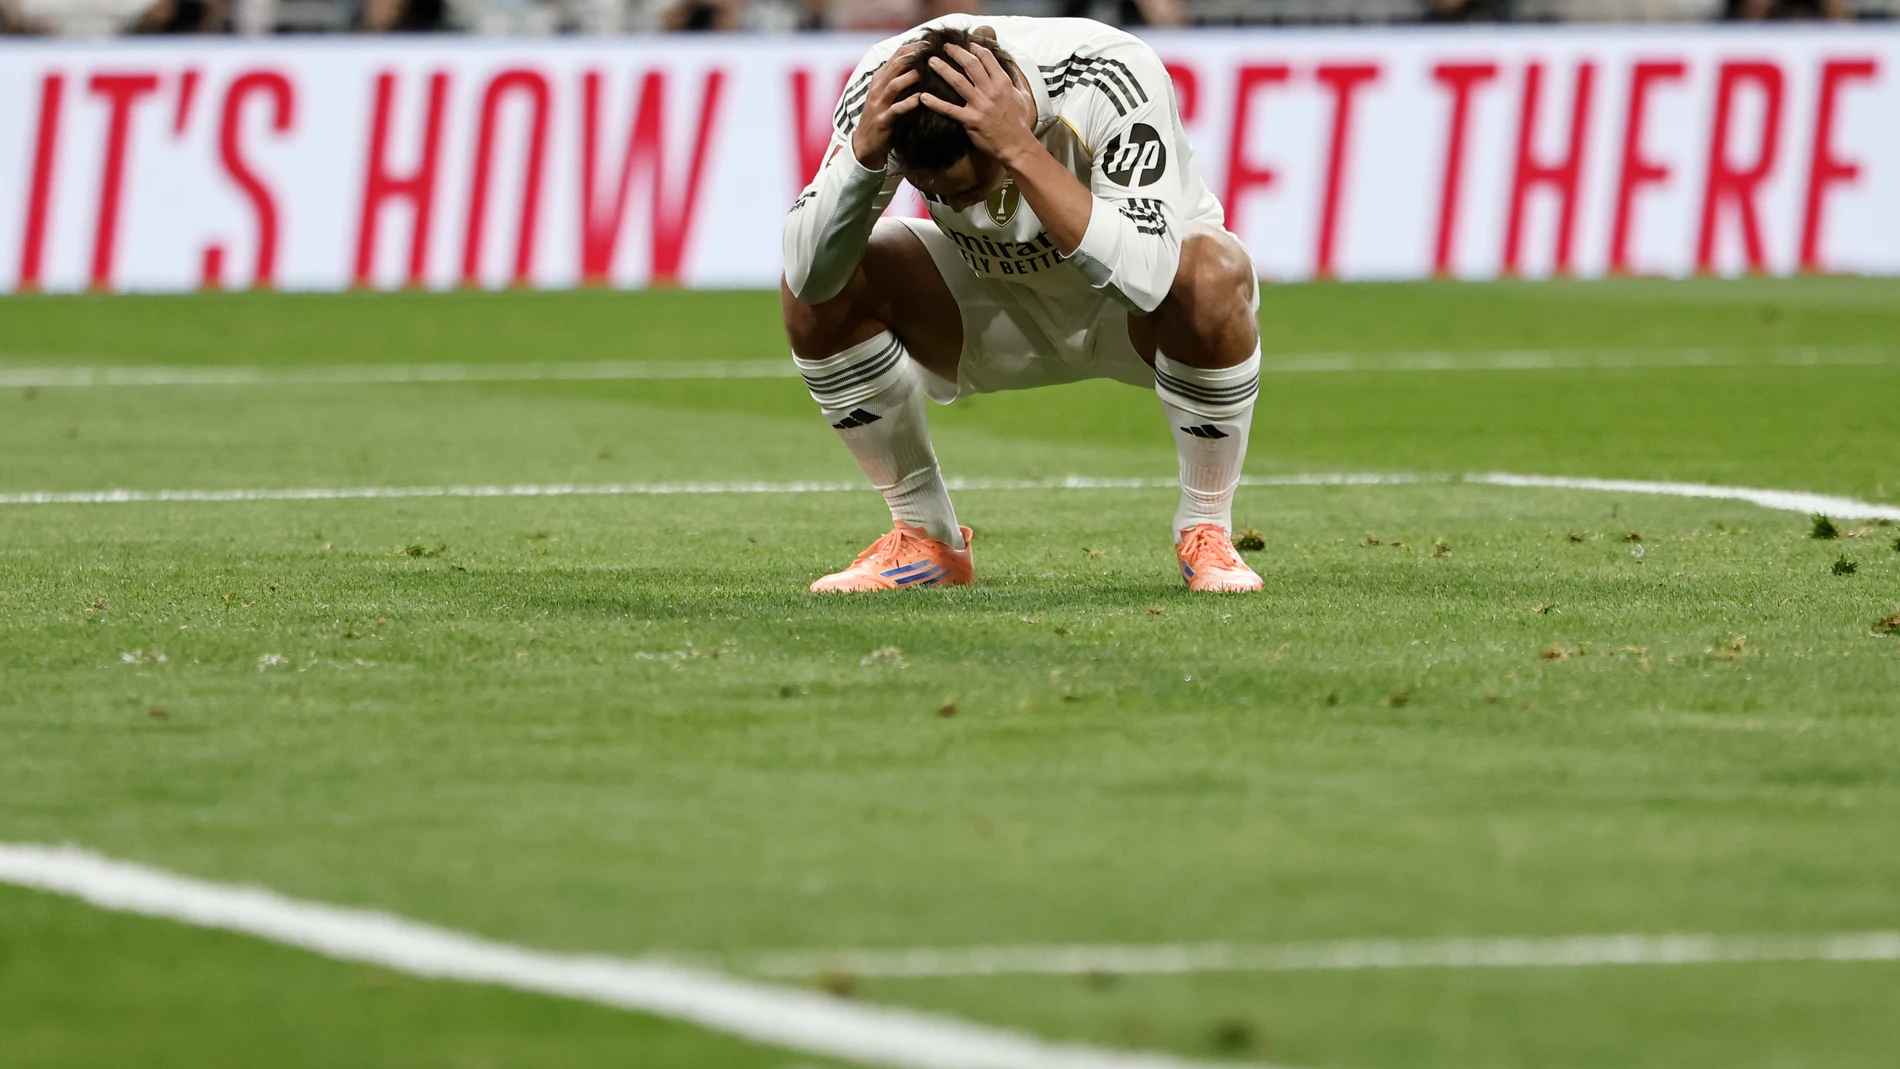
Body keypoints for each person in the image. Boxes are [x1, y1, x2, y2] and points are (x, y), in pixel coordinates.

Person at [782, 16, 1265, 594]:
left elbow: (1146, 280)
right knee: (825, 281)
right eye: (931, 191)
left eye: (969, 187)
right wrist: (862, 157)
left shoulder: (1110, 73)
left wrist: (1017, 147)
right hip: (992, 303)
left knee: (1209, 274)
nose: (956, 204)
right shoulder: (889, 87)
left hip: (1134, 315)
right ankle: (924, 537)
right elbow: (809, 277)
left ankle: (1207, 530)